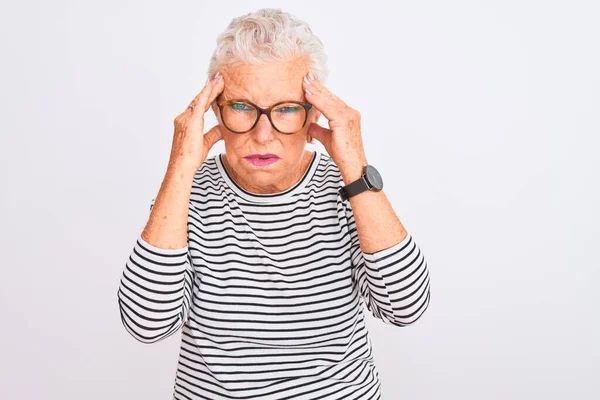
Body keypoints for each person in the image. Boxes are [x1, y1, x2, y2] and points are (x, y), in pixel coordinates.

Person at [116, 8, 431, 400]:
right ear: (214, 111)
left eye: (285, 109)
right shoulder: (185, 194)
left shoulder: (348, 189)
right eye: (243, 107)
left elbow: (405, 307)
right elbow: (147, 323)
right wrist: (181, 163)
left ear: (314, 113)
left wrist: (355, 166)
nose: (263, 135)